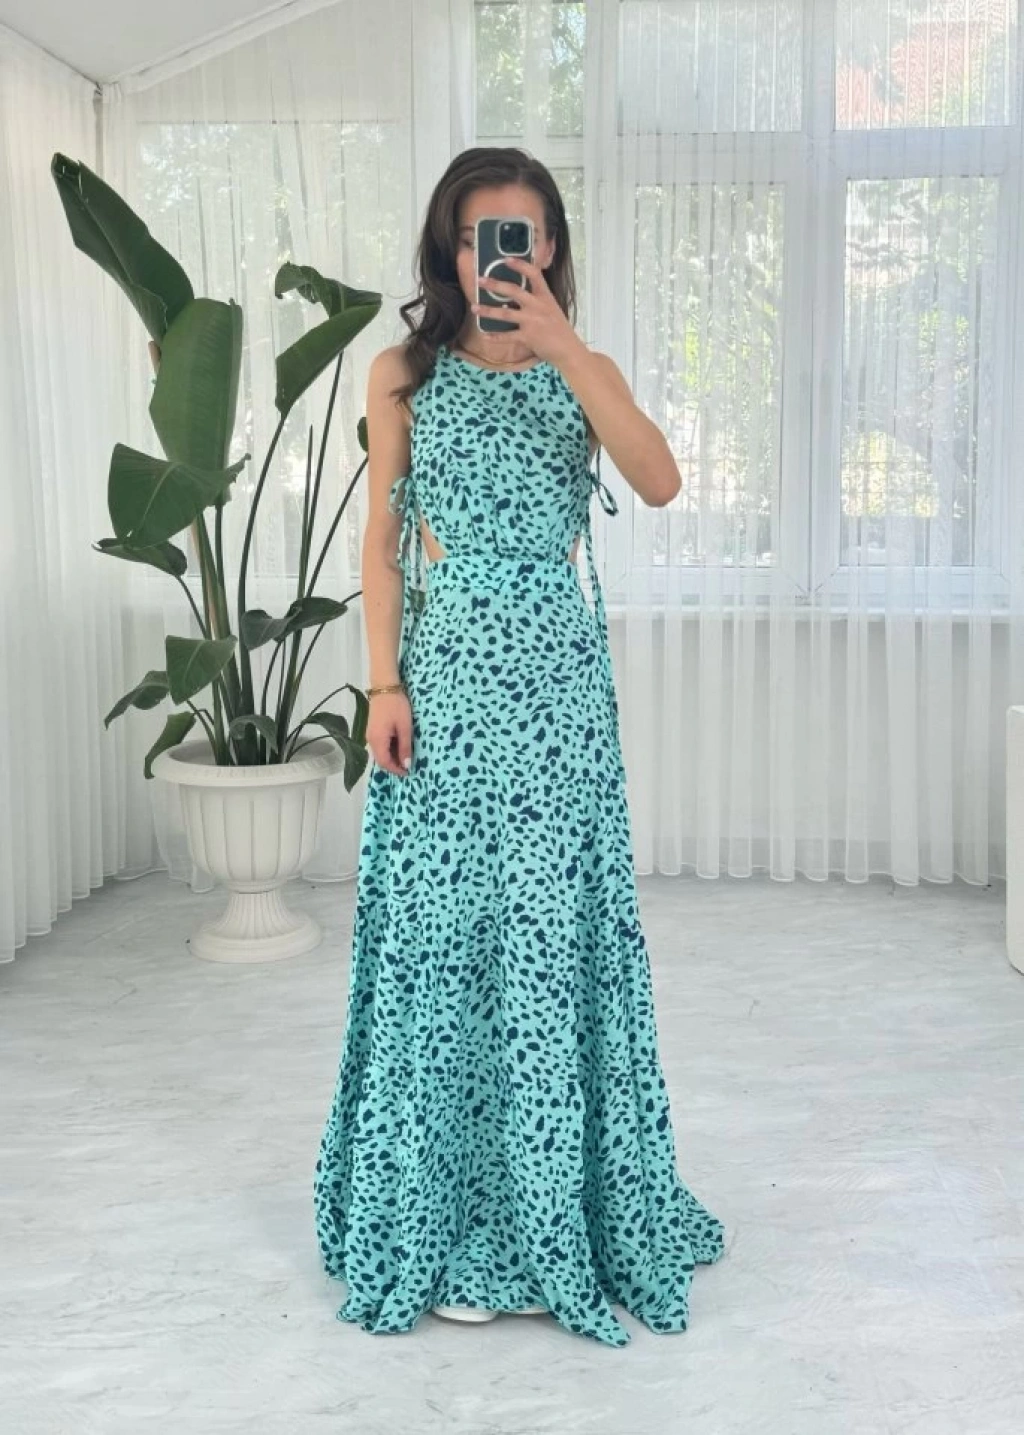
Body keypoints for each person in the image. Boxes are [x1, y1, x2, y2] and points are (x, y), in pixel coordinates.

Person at [313, 147, 725, 1349]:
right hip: (442, 690)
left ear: (548, 248)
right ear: (449, 250)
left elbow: (659, 480)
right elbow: (382, 543)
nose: (500, 254)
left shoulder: (583, 369)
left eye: (523, 234)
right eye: (478, 235)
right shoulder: (401, 372)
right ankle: (441, 1212)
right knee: (444, 939)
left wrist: (563, 349)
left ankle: (555, 1213)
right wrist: (381, 683)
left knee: (549, 937)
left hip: (556, 697)